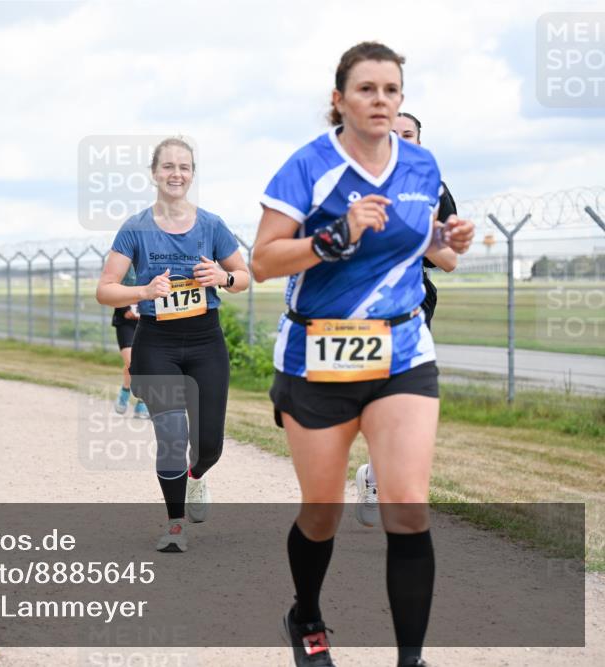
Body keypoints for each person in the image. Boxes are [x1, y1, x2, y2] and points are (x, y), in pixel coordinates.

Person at [250, 42, 474, 667]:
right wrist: (335, 236)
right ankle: (307, 615)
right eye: (367, 89)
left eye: (391, 90)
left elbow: (421, 243)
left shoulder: (422, 166)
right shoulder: (308, 166)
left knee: (406, 503)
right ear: (339, 99)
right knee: (322, 512)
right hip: (318, 356)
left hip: (402, 349)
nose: (380, 100)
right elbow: (264, 261)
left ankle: (411, 659)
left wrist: (445, 236)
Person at [96, 137, 250, 553]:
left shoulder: (212, 225)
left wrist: (223, 278)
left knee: (208, 446)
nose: (176, 174)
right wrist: (143, 290)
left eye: (184, 167)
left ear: (192, 174)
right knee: (171, 429)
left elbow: (244, 276)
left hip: (206, 340)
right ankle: (175, 523)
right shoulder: (135, 228)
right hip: (156, 343)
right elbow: (105, 290)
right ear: (154, 173)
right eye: (168, 167)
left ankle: (196, 476)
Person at [355, 112, 460, 528]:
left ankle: (380, 478)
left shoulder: (434, 188)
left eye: (408, 134)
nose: (398, 139)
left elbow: (449, 260)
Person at [112, 267, 149, 419]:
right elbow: (113, 288)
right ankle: (125, 391)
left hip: (147, 321)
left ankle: (142, 402)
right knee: (131, 362)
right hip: (126, 322)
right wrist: (125, 308)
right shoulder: (124, 264)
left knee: (146, 362)